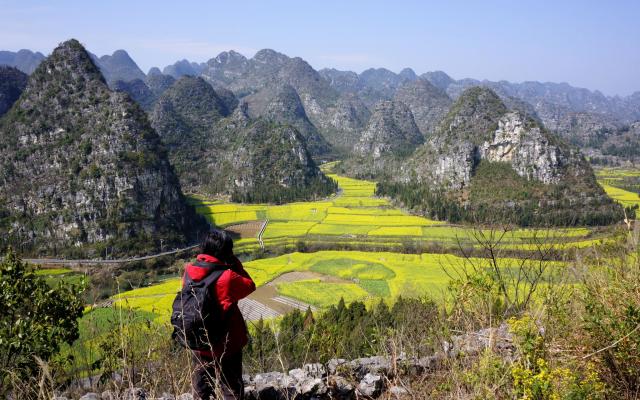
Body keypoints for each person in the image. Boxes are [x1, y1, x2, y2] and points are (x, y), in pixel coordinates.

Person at [183, 229, 255, 400]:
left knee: (201, 391)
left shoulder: (188, 272)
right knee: (231, 390)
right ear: (226, 252)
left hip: (199, 342)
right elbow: (249, 285)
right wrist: (234, 262)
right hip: (226, 344)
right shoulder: (227, 277)